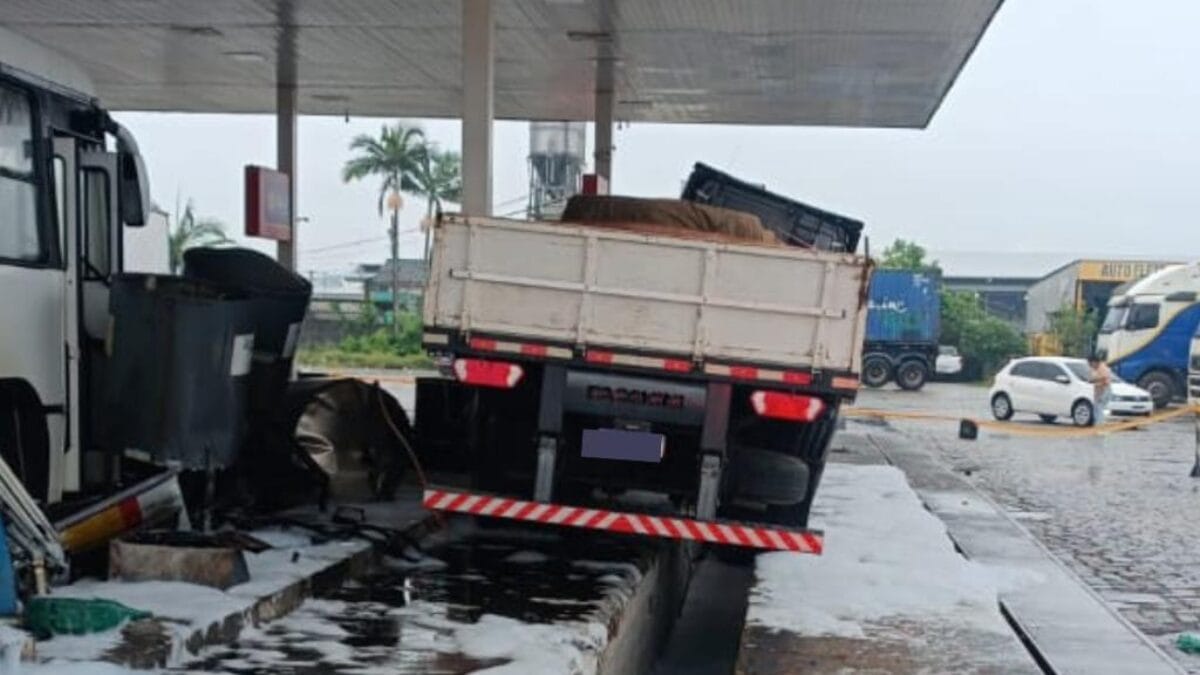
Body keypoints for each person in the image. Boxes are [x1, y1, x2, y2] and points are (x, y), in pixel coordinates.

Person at [1088, 355, 1113, 426]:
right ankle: (1098, 424)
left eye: (1091, 363)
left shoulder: (1102, 368)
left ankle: (1100, 424)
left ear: (1095, 362)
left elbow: (1104, 378)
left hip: (1104, 389)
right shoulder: (1094, 369)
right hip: (1098, 390)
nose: (1090, 365)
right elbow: (1092, 379)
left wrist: (1093, 380)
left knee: (1099, 407)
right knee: (1096, 408)